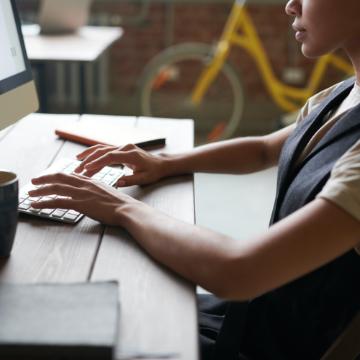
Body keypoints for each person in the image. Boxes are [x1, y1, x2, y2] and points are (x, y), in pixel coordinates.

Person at [29, 0, 360, 358]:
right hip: (248, 316)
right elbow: (266, 149)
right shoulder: (343, 94)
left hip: (259, 347)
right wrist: (163, 162)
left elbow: (238, 271)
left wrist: (119, 207)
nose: (290, 6)